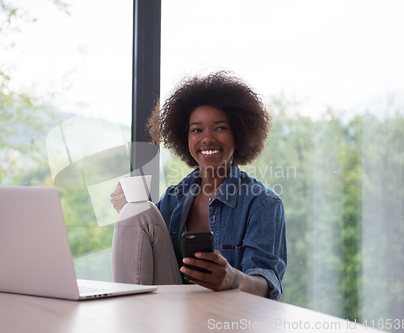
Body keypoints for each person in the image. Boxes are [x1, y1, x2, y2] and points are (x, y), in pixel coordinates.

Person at [110, 71, 287, 300]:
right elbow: (147, 256)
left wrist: (232, 279)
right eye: (197, 130)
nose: (207, 138)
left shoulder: (263, 203)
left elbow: (267, 285)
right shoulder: (175, 197)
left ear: (239, 134)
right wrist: (128, 211)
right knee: (137, 211)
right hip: (171, 311)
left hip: (229, 316)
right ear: (185, 138)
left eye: (220, 128)